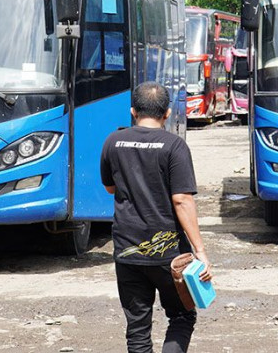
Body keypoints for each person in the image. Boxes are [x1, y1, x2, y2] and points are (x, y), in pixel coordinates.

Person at [100, 81, 212, 353]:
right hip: (170, 256)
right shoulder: (174, 146)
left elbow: (110, 187)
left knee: (137, 329)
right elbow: (182, 199)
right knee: (182, 315)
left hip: (128, 251)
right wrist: (200, 250)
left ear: (133, 111)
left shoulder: (113, 141)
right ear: (167, 113)